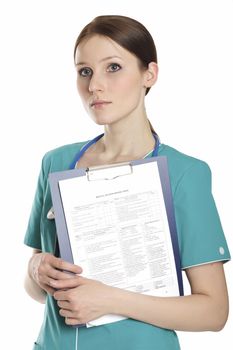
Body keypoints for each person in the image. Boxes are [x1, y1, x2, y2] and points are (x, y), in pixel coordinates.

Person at [24, 15, 230, 350]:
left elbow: (214, 311)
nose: (94, 86)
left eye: (113, 67)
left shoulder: (185, 174)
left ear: (149, 74)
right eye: (84, 71)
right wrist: (35, 269)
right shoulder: (56, 163)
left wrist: (111, 300)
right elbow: (35, 291)